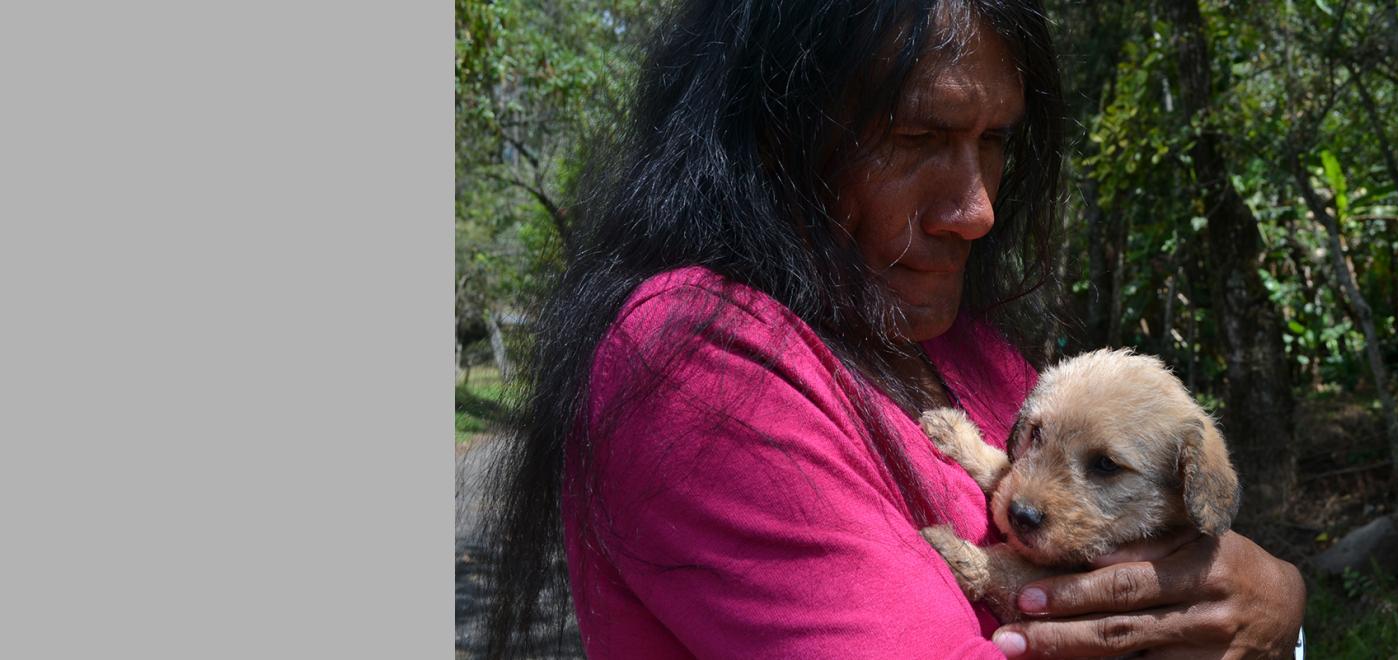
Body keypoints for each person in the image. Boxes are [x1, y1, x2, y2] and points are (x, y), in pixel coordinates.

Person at [479, 0, 1306, 657]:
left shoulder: (965, 346)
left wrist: (1278, 619)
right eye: (918, 137)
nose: (977, 210)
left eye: (995, 142)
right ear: (773, 138)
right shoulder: (695, 362)